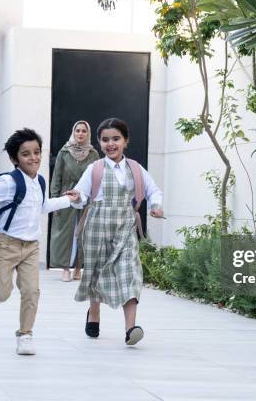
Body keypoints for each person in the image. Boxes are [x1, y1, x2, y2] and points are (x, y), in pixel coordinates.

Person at [0, 128, 80, 355]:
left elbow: (43, 207)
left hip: (31, 247)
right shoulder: (7, 182)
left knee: (31, 291)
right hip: (6, 244)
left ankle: (25, 334)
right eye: (26, 153)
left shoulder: (39, 181)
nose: (34, 158)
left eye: (37, 152)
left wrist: (68, 200)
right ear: (14, 158)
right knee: (3, 293)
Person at [71, 117, 163, 346]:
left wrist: (156, 206)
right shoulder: (96, 168)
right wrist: (75, 197)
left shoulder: (135, 168)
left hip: (125, 227)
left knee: (129, 273)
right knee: (95, 271)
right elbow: (82, 195)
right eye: (105, 140)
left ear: (125, 141)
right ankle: (94, 314)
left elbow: (153, 191)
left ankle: (131, 328)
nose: (110, 144)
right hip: (96, 226)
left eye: (115, 139)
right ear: (99, 143)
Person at [49, 120, 99, 282]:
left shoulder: (93, 154)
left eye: (84, 131)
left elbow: (97, 179)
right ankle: (65, 268)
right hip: (66, 196)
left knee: (83, 232)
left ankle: (78, 267)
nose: (80, 134)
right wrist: (55, 199)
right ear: (73, 132)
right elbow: (56, 176)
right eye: (77, 130)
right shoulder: (64, 152)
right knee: (65, 234)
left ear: (88, 134)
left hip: (86, 198)